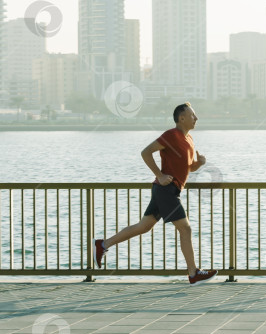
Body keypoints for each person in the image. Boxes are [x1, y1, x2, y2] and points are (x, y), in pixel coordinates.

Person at [94, 102, 219, 286]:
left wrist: (198, 164)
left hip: (168, 190)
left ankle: (102, 245)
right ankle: (193, 274)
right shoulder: (171, 135)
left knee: (144, 226)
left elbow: (189, 167)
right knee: (185, 229)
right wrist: (159, 175)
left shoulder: (189, 139)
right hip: (165, 190)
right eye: (193, 115)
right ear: (181, 118)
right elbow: (146, 152)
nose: (196, 118)